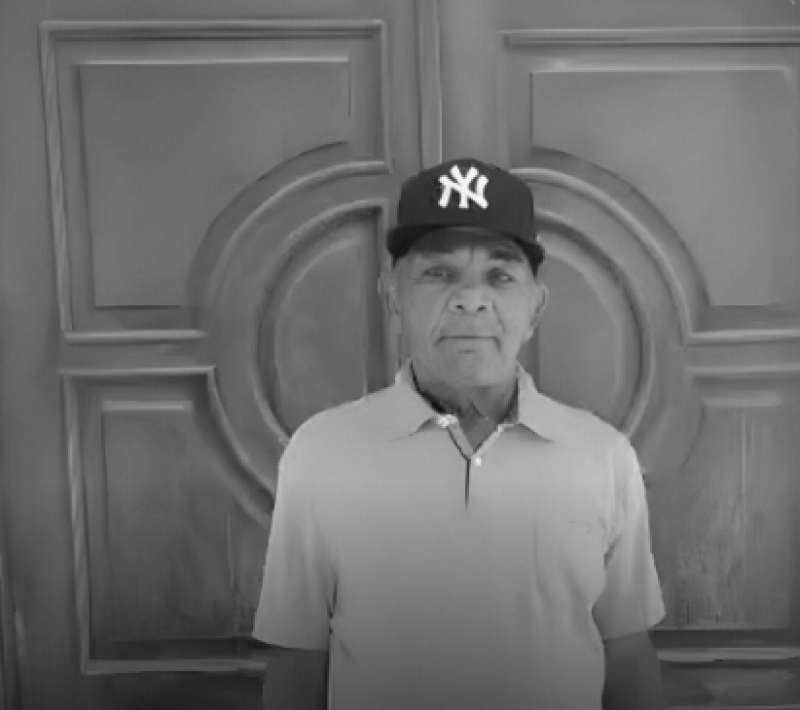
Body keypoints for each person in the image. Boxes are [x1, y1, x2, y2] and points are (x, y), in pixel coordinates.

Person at [253, 158, 666, 710]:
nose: (471, 299)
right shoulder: (321, 453)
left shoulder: (603, 456)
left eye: (500, 276)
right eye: (438, 273)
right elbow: (298, 662)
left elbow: (628, 654)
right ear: (392, 296)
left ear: (536, 306)